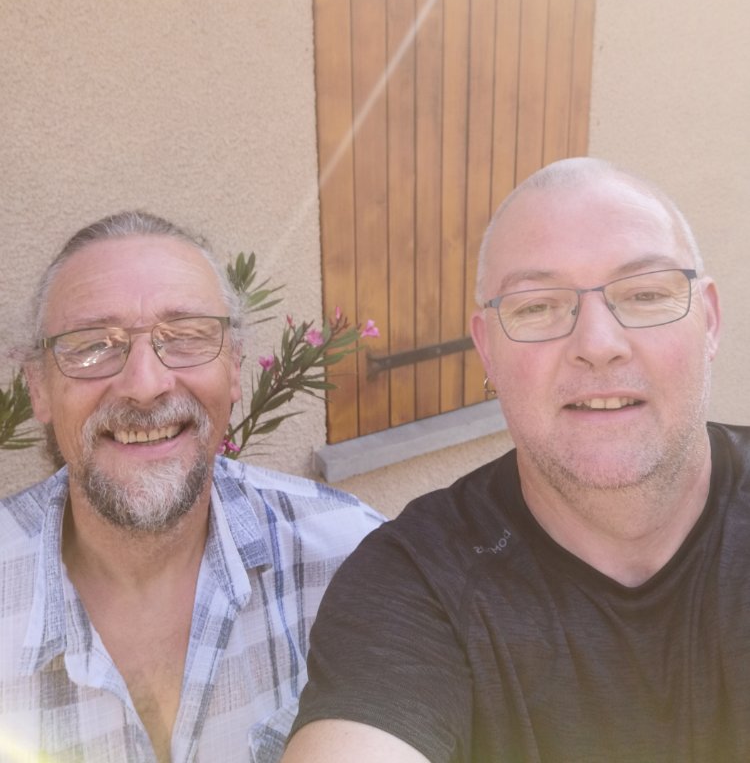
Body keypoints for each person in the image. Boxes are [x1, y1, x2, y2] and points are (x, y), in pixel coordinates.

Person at [282, 156, 750, 763]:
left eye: (644, 294)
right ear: (487, 350)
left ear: (709, 321)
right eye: (537, 307)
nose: (598, 345)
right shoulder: (415, 581)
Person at [0, 211, 382, 763]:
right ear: (38, 388)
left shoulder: (353, 562)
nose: (144, 385)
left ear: (234, 369)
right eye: (92, 345)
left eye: (185, 337)